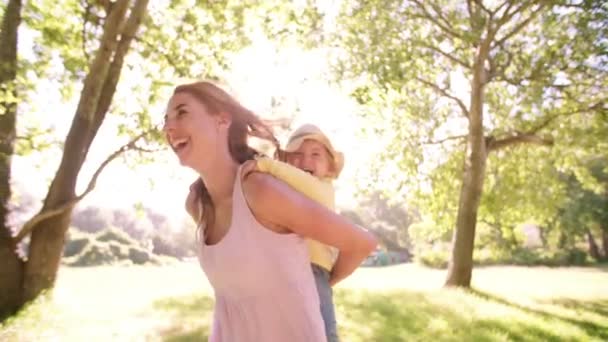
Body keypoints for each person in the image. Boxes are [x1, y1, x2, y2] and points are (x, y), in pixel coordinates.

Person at [162, 81, 377, 341]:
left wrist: (323, 283)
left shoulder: (260, 191)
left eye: (181, 113)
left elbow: (361, 243)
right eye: (166, 119)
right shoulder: (197, 205)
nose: (168, 127)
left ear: (222, 120)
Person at [255, 124, 344, 341]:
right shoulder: (279, 189)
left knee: (322, 332)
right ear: (286, 159)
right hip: (279, 272)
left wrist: (267, 165)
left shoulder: (323, 188)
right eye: (297, 154)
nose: (306, 161)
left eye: (316, 154)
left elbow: (306, 185)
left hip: (313, 271)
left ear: (329, 167)